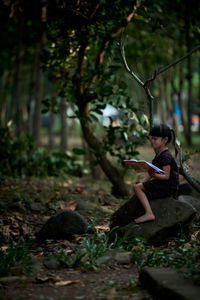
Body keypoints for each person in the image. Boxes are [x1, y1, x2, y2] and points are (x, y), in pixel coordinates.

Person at [133, 124, 179, 224]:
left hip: (168, 185)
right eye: (151, 139)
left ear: (165, 139)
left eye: (155, 139)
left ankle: (149, 213)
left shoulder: (166, 156)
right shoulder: (159, 154)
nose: (152, 141)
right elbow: (150, 173)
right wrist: (142, 183)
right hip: (162, 182)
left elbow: (166, 176)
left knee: (137, 188)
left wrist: (152, 176)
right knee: (137, 186)